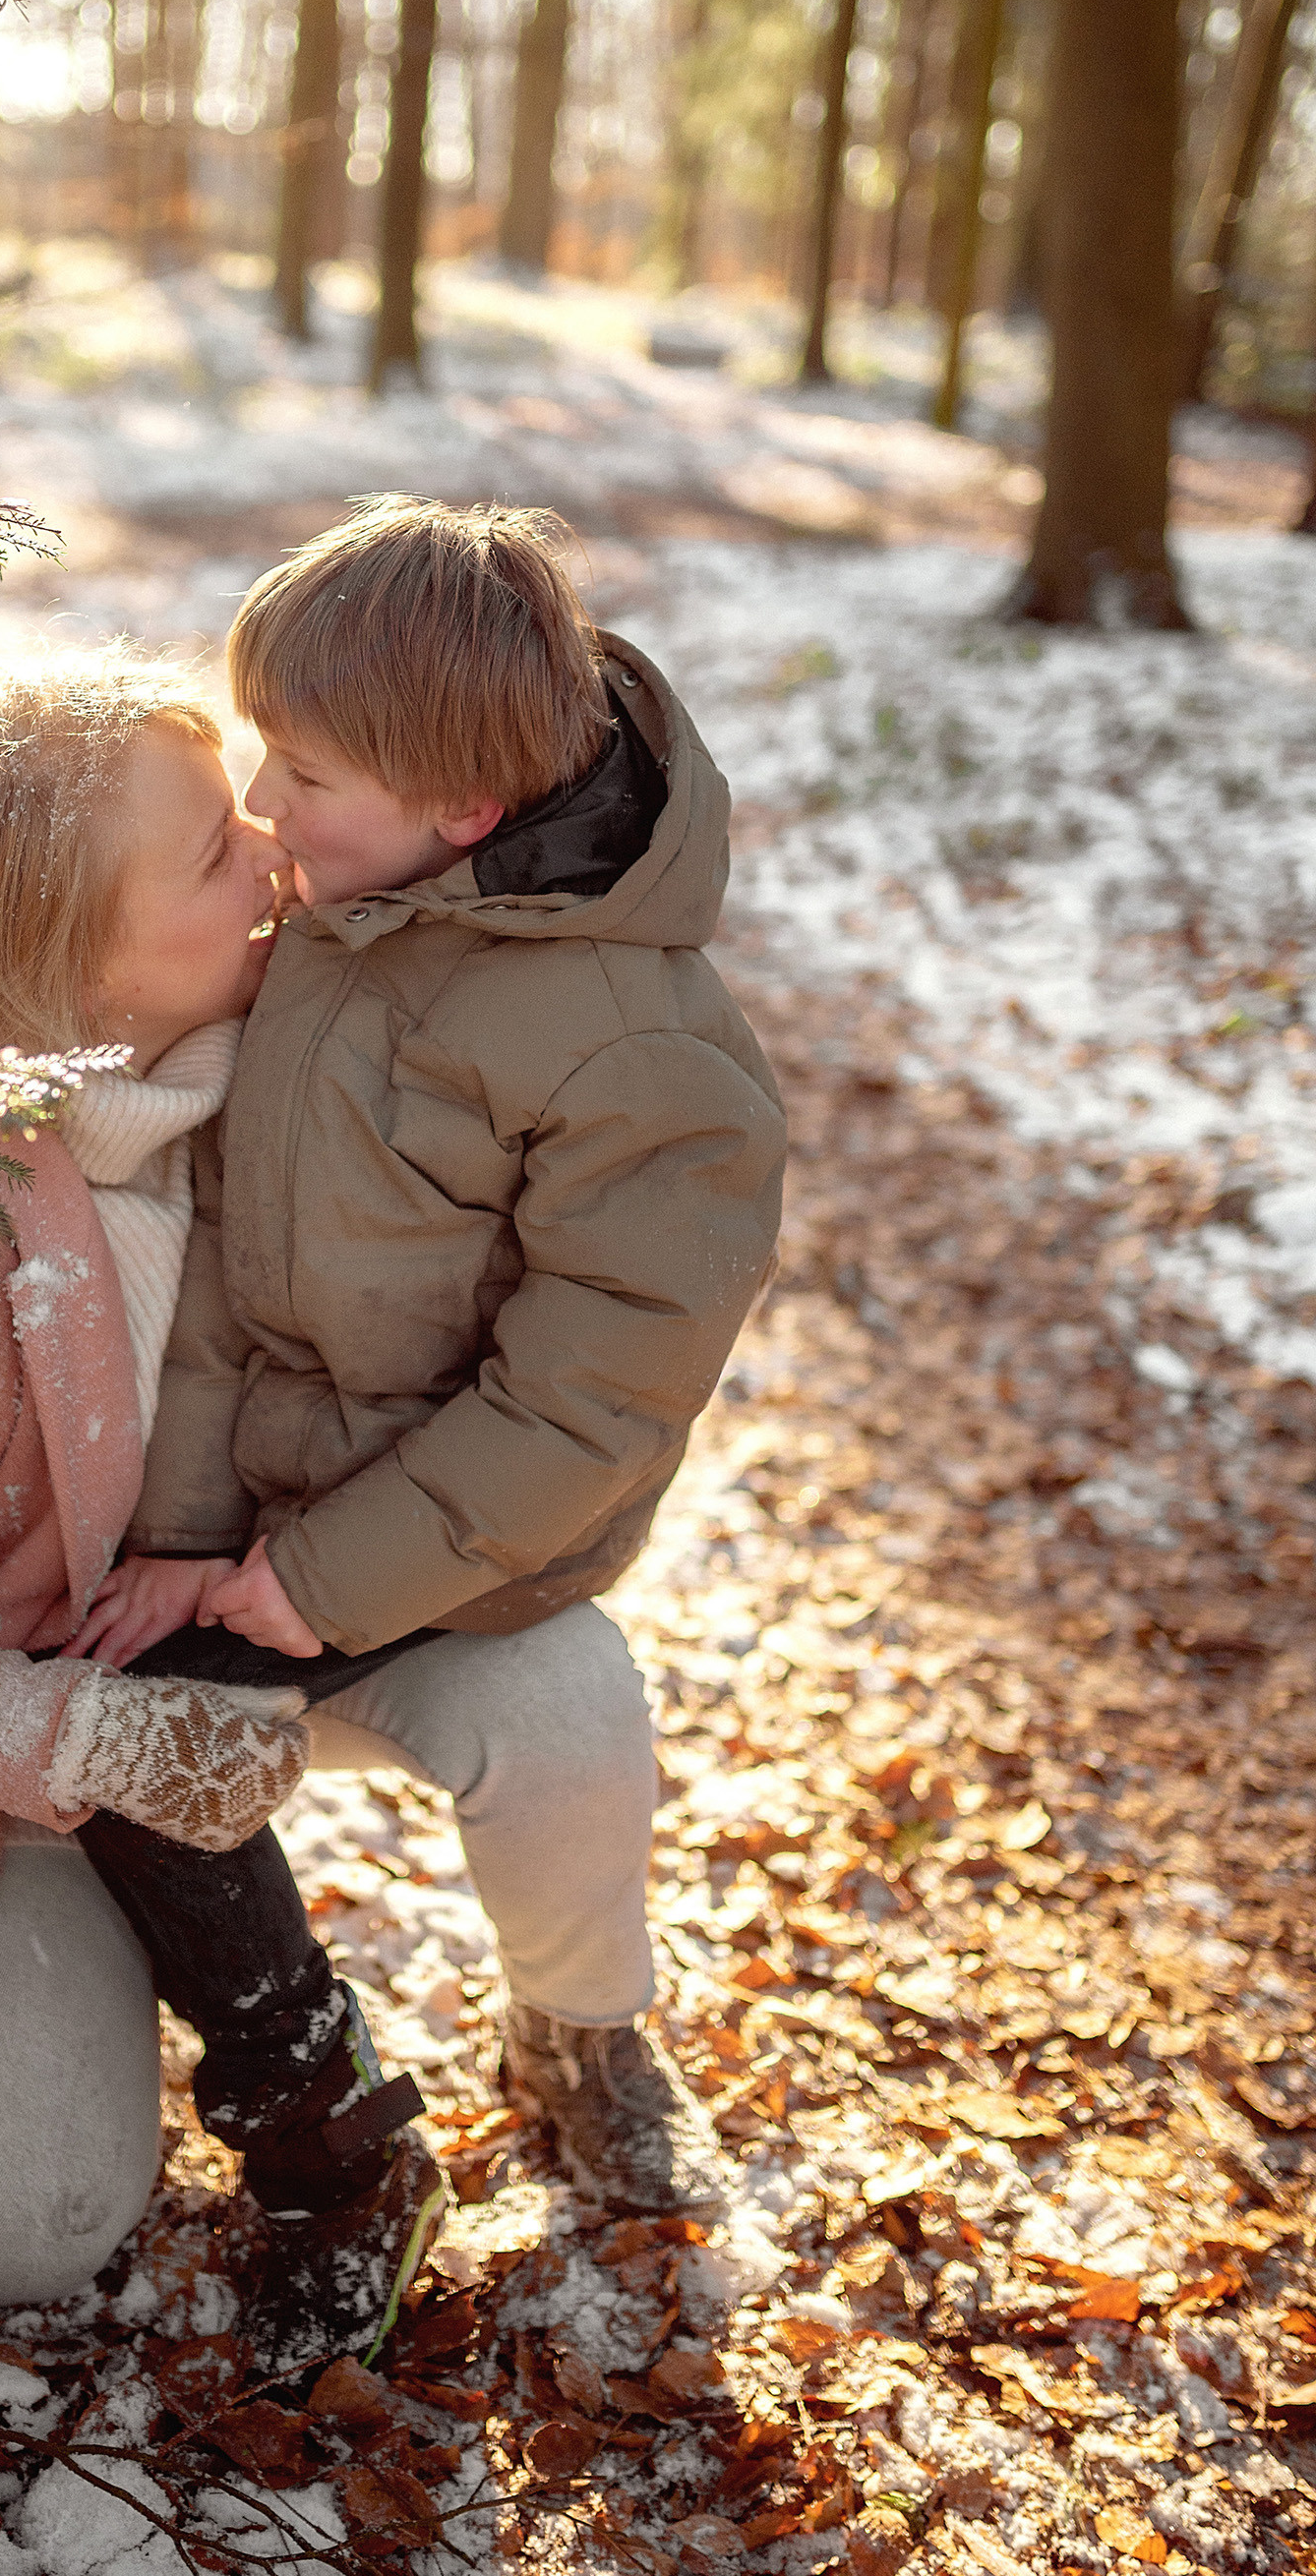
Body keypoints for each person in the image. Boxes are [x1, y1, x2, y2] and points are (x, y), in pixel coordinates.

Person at [69, 497, 787, 2264]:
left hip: (471, 1537)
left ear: (464, 813)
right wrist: (179, 1534)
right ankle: (329, 2105)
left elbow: (591, 1404)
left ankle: (534, 2055)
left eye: (303, 776)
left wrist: (314, 1580)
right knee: (115, 1737)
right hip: (273, 1509)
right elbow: (231, 1274)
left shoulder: (643, 1054)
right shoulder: (341, 918)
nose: (262, 811)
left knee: (399, 1739)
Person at [0, 650, 440, 2346]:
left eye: (246, 808)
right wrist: (89, 1747)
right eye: (208, 853)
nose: (272, 843)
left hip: (305, 1606)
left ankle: (544, 2060)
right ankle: (110, 1948)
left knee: (565, 1701)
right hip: (42, 1732)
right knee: (17, 2225)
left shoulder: (313, 1048)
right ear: (68, 977)